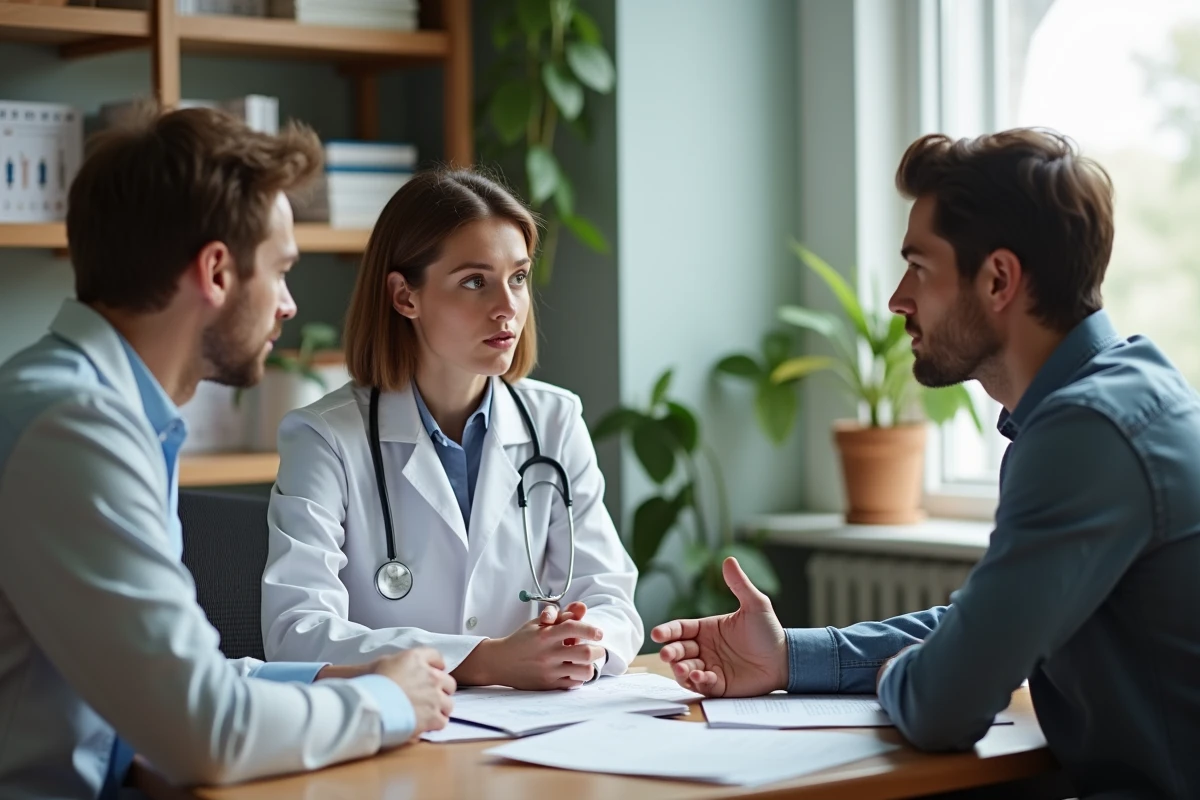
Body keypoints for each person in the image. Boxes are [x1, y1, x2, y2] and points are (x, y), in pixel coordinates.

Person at [653, 129, 1200, 799]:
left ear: (998, 278)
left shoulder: (1088, 431)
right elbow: (985, 625)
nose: (898, 299)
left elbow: (945, 701)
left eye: (920, 266)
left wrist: (915, 674)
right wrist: (792, 657)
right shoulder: (1120, 397)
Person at [0, 107, 456, 800]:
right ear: (216, 271)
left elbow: (174, 680)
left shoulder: (109, 409)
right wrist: (389, 706)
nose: (289, 306)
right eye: (280, 271)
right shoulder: (76, 429)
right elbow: (203, 732)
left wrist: (329, 679)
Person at [260, 168, 642, 689]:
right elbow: (297, 633)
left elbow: (611, 598)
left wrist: (578, 645)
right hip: (395, 731)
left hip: (535, 729)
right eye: (474, 282)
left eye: (519, 277)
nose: (507, 308)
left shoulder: (555, 421)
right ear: (404, 297)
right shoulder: (324, 437)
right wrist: (485, 659)